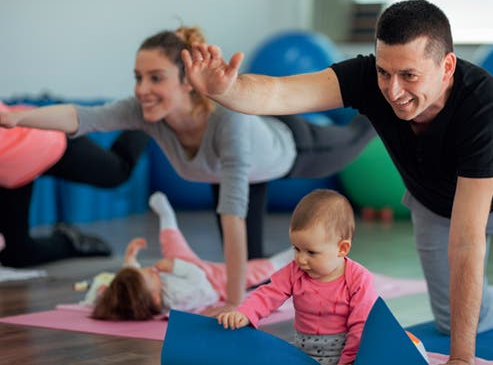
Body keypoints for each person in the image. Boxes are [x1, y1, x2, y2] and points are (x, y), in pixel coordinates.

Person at [181, 0, 493, 365]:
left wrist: (461, 358)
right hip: (436, 202)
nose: (393, 90)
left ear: (447, 66)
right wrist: (227, 90)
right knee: (450, 316)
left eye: (409, 75)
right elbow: (283, 92)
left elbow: (469, 241)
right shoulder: (372, 78)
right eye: (385, 72)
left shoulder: (482, 103)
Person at [0, 26, 376, 313]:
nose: (142, 89)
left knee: (359, 133)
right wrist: (16, 120)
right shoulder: (146, 113)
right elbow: (81, 117)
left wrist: (232, 306)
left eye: (156, 78)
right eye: (138, 77)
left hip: (294, 148)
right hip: (231, 172)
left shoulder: (228, 123)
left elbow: (233, 219)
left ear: (187, 83)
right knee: (249, 266)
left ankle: (381, 96)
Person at [218, 189, 377, 365]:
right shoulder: (294, 271)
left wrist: (348, 361)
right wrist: (245, 312)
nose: (301, 259)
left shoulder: (359, 279)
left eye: (311, 252)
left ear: (342, 249)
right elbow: (268, 294)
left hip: (346, 356)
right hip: (303, 352)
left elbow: (361, 326)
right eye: (296, 249)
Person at [91, 191, 292, 320]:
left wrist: (130, 259)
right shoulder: (177, 296)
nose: (151, 269)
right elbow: (198, 279)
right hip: (213, 281)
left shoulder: (145, 297)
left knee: (171, 242)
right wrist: (175, 266)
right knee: (256, 271)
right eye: (150, 274)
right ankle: (290, 256)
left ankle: (167, 216)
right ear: (154, 296)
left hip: (185, 269)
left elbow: (134, 283)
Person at [0, 102, 149, 268]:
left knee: (118, 172)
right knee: (17, 254)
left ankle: (147, 116)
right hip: (12, 171)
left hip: (42, 140)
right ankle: (69, 240)